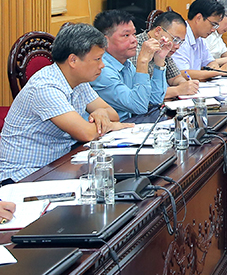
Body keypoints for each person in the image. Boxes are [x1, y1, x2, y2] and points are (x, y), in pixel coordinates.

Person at [0, 23, 132, 182]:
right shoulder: (46, 87)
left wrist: (101, 112)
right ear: (73, 60)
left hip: (58, 164)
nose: (102, 65)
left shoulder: (79, 80)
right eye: (97, 59)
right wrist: (112, 125)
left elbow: (113, 114)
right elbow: (87, 133)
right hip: (24, 175)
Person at [90, 10, 169, 121]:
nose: (134, 40)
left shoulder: (125, 63)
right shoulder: (101, 70)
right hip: (112, 131)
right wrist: (142, 62)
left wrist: (159, 61)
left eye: (134, 34)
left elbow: (154, 100)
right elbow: (139, 106)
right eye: (126, 35)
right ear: (104, 41)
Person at [132, 10, 200, 99]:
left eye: (181, 42)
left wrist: (185, 85)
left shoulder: (164, 47)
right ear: (158, 31)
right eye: (175, 39)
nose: (177, 46)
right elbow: (145, 94)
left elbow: (175, 77)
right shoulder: (135, 50)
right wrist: (178, 90)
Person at [172, 0, 227, 80]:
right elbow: (182, 73)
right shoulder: (180, 37)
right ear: (198, 18)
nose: (213, 30)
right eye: (213, 24)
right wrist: (220, 71)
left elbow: (210, 63)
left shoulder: (200, 39)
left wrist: (213, 68)